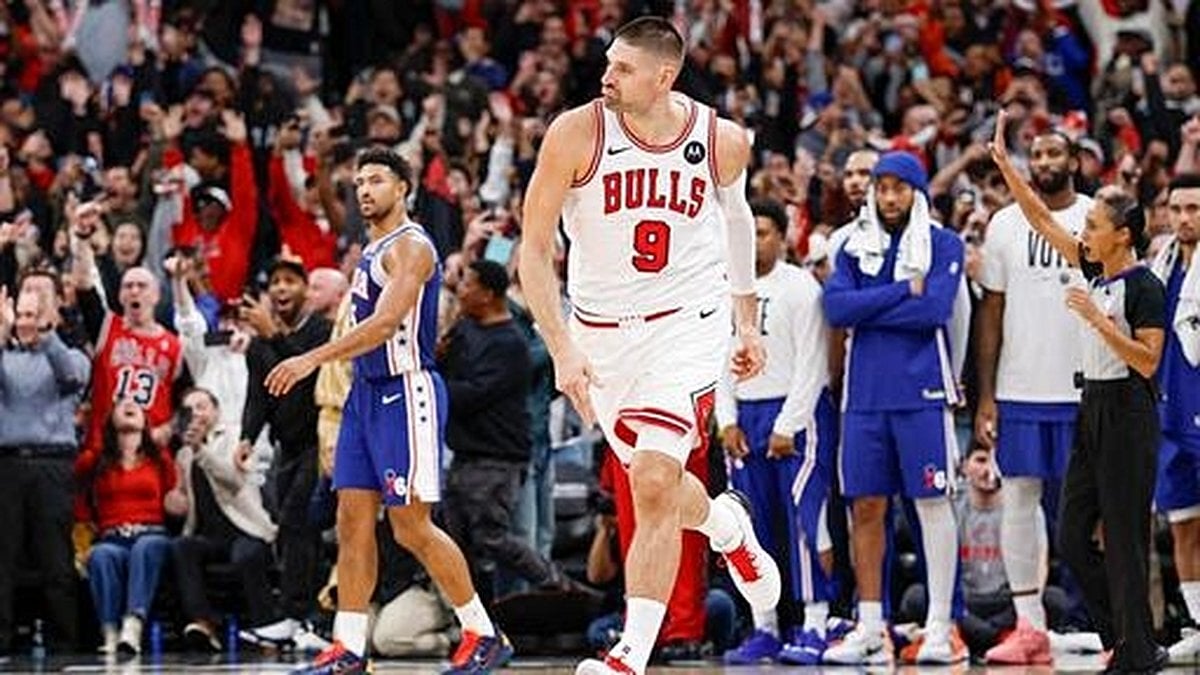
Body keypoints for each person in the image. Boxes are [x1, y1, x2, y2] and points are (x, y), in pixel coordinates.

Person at [518, 16, 779, 675]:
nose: (607, 76)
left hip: (685, 324)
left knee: (654, 480)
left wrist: (747, 321)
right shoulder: (576, 133)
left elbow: (738, 222)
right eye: (609, 63)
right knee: (656, 482)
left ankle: (629, 654)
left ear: (665, 77)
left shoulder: (720, 140)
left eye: (624, 68)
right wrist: (561, 347)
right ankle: (725, 526)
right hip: (600, 333)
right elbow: (533, 250)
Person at [265, 147, 510, 675]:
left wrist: (310, 358)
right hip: (364, 396)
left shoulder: (412, 247)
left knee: (410, 526)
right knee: (351, 521)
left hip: (405, 391)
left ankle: (483, 632)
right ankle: (349, 647)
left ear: (403, 188)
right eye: (358, 183)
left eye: (376, 180)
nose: (364, 190)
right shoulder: (372, 249)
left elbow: (383, 324)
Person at [991, 109, 1169, 672]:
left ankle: (1138, 651)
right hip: (1090, 404)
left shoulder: (1145, 287)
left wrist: (1097, 321)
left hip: (1129, 411)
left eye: (1093, 225)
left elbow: (1148, 362)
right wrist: (1006, 166)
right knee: (1071, 537)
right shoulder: (1094, 268)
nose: (1084, 232)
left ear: (1123, 235)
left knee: (1124, 538)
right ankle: (1122, 634)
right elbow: (1041, 218)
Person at [821, 151, 967, 666]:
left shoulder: (944, 243)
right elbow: (835, 308)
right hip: (863, 398)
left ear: (916, 193)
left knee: (931, 505)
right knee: (865, 508)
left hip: (922, 394)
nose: (888, 197)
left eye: (897, 188)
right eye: (880, 188)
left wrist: (871, 307)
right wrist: (903, 290)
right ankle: (870, 625)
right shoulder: (851, 245)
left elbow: (935, 310)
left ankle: (940, 625)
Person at [974, 131, 1093, 665]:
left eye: (1053, 153)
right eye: (1037, 154)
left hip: (1085, 387)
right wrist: (987, 395)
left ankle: (1100, 623)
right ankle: (1030, 624)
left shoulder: (1096, 217)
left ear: (1075, 161)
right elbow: (991, 313)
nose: (1044, 161)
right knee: (1018, 501)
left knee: (1091, 508)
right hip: (1019, 388)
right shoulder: (1003, 224)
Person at [716, 198, 838, 666]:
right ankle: (764, 625)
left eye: (764, 233)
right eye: (750, 233)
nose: (755, 242)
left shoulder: (801, 288)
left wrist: (789, 424)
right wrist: (726, 419)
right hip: (744, 417)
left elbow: (814, 363)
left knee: (807, 518)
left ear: (783, 238)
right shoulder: (727, 288)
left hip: (796, 414)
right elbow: (718, 357)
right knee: (747, 528)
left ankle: (815, 621)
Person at [438, 259, 566, 592]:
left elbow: (473, 394)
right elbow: (447, 370)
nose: (460, 291)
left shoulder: (511, 344)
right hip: (463, 453)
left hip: (497, 458)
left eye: (468, 284)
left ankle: (554, 585)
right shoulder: (463, 329)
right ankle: (475, 613)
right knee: (457, 541)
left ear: (488, 294)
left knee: (492, 537)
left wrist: (432, 387)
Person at [237, 256, 331, 648]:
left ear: (306, 290)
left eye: (290, 280)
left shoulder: (321, 332)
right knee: (291, 528)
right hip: (285, 446)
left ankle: (303, 617)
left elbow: (308, 380)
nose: (280, 288)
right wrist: (246, 436)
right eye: (275, 281)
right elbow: (257, 396)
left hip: (318, 442)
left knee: (300, 523)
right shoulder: (259, 344)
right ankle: (300, 618)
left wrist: (274, 336)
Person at [0, 287, 91, 657]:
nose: (25, 323)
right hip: (7, 462)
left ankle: (64, 640)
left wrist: (46, 336)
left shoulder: (70, 355)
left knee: (55, 555)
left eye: (32, 315)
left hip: (52, 462)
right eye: (21, 315)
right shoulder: (5, 357)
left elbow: (71, 377)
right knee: (3, 557)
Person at [167, 388, 278, 653]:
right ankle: (203, 623)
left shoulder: (237, 437)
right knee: (182, 547)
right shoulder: (183, 454)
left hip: (246, 529)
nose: (196, 414)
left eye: (202, 406)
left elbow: (234, 481)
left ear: (216, 411)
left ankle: (266, 630)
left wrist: (201, 450)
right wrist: (175, 500)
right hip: (210, 534)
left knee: (246, 556)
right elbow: (183, 495)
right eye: (190, 409)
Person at [75, 399, 176, 655]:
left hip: (152, 533)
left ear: (145, 421)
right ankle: (109, 630)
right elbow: (78, 481)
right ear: (110, 421)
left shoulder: (158, 458)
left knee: (144, 547)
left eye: (136, 407)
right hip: (113, 537)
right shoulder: (98, 461)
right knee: (101, 555)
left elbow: (174, 495)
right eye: (121, 406)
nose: (129, 405)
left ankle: (133, 624)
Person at [1150, 173, 1200, 663]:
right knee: (1183, 522)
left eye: (1194, 209)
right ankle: (1198, 621)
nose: (1184, 218)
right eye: (1177, 209)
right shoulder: (1160, 267)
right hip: (1169, 411)